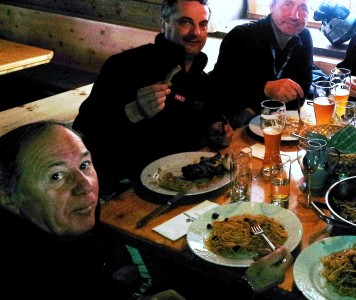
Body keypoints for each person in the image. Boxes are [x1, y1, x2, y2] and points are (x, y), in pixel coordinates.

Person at [0, 121, 293, 299]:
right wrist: (247, 286)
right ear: (8, 196)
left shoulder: (65, 235)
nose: (84, 186)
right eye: (56, 176)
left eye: (85, 165)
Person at [72, 0, 233, 195]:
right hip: (129, 188)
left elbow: (210, 125)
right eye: (185, 22)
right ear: (163, 24)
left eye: (202, 24)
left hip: (187, 184)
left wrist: (218, 133)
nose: (196, 32)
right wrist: (133, 112)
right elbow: (84, 128)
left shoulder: (201, 79)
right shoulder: (125, 66)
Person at [208, 0, 314, 129]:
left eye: (303, 8)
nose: (294, 15)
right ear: (272, 6)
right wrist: (265, 89)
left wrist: (255, 103)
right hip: (236, 130)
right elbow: (220, 91)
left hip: (278, 126)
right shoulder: (241, 37)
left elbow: (301, 92)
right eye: (287, 5)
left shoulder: (304, 36)